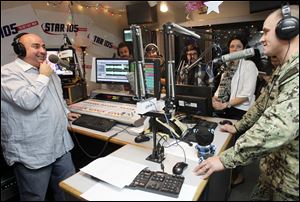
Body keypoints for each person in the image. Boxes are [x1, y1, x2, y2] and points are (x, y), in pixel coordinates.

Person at [194, 4, 299, 201]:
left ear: (288, 29)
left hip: (291, 185)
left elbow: (278, 127)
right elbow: (261, 103)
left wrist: (225, 159)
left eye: (266, 32)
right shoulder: (286, 69)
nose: (261, 38)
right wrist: (238, 126)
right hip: (273, 173)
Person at [1, 33, 81, 200]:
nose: (43, 51)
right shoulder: (7, 73)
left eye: (43, 46)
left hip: (61, 146)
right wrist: (43, 76)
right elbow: (28, 101)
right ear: (20, 49)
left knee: (69, 192)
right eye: (36, 46)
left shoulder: (48, 71)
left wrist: (65, 112)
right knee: (34, 197)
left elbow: (57, 97)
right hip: (33, 152)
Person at [212, 35, 258, 120]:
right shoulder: (227, 67)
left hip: (240, 111)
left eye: (238, 47)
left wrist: (226, 104)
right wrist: (213, 99)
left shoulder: (249, 65)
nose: (234, 49)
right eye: (232, 47)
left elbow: (247, 94)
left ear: (244, 49)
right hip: (225, 109)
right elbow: (220, 88)